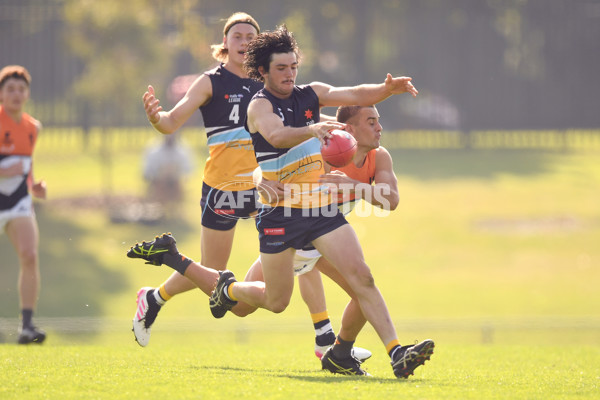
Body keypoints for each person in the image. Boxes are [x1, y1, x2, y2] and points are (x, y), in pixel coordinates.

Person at [129, 25, 434, 379]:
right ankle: (226, 288)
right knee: (275, 302)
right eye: (281, 69)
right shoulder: (258, 106)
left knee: (362, 278)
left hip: (319, 211)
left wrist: (385, 90)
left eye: (293, 67)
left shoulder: (311, 95)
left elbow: (349, 92)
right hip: (281, 216)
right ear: (263, 72)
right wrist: (312, 130)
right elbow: (276, 135)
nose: (290, 75)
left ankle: (395, 353)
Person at [134, 13, 358, 360]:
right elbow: (170, 122)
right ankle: (155, 297)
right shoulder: (210, 82)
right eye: (237, 36)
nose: (244, 42)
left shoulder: (270, 85)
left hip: (263, 189)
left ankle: (323, 335)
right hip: (222, 189)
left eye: (251, 37)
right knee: (212, 275)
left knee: (302, 247)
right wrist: (155, 118)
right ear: (224, 45)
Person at [0, 65, 47, 344]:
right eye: (10, 89)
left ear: (27, 93)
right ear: (1, 95)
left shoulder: (33, 127)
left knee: (29, 255)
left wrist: (34, 185)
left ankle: (26, 327)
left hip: (18, 200)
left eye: (20, 89)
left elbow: (25, 167)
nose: (16, 94)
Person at [142, 133, 193, 208]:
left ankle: (174, 207)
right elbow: (147, 172)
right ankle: (160, 205)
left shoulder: (182, 150)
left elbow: (188, 171)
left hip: (175, 182)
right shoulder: (154, 150)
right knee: (161, 185)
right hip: (158, 182)